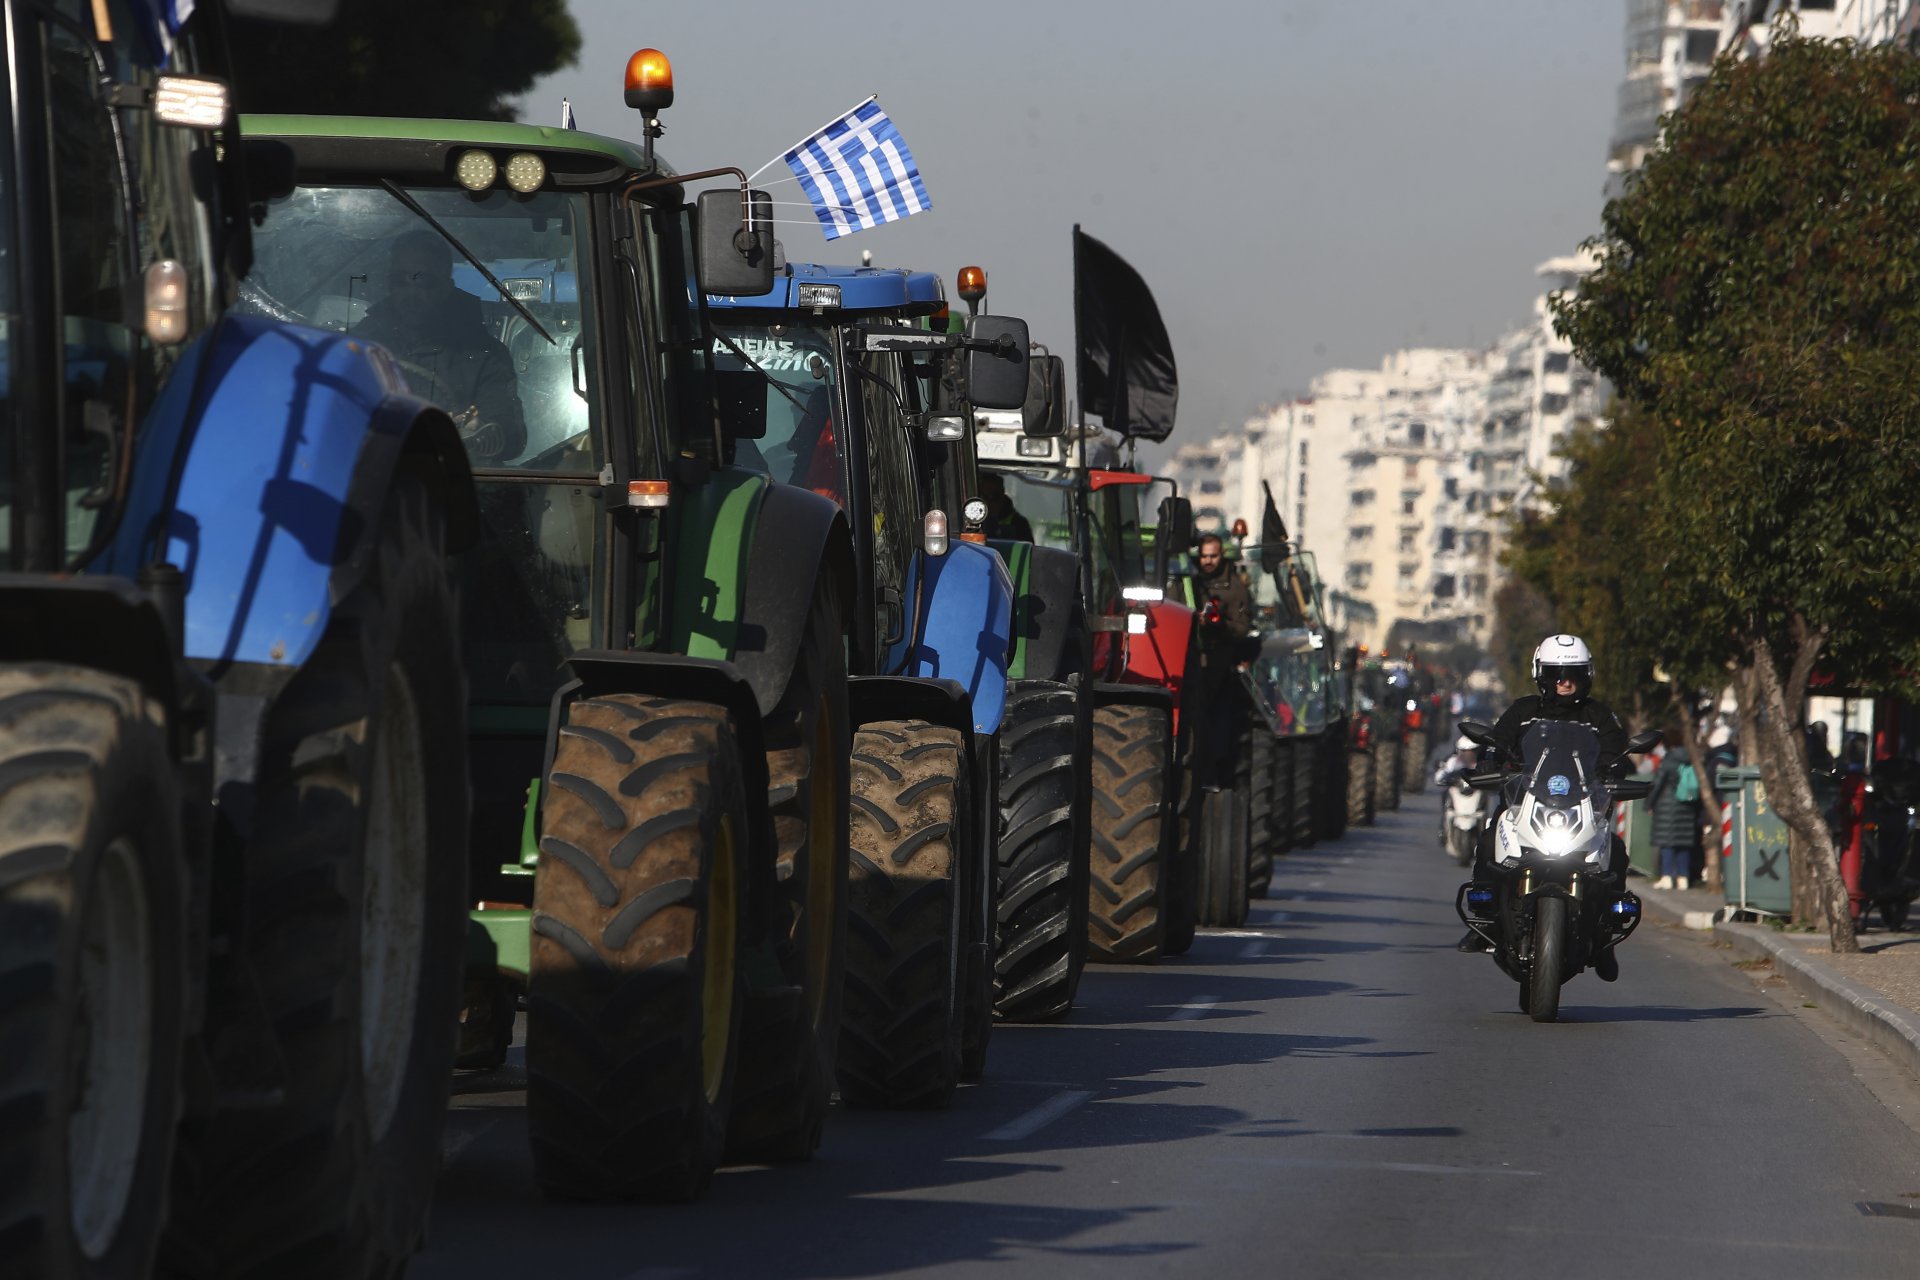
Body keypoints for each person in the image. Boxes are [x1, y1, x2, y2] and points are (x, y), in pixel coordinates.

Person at [1458, 634, 1631, 979]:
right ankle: (1487, 920)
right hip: (1526, 804)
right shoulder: (1523, 712)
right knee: (1490, 838)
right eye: (1555, 673)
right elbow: (1498, 744)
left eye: (1573, 674)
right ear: (1541, 675)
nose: (1564, 682)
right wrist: (1489, 764)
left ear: (1586, 675)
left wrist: (1616, 770)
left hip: (1582, 809)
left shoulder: (1599, 716)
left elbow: (1617, 753)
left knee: (1617, 851)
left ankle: (1606, 938)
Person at [356, 229, 526, 465]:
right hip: (369, 481)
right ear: (389, 285)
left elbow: (511, 436)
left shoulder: (483, 355)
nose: (411, 293)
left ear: (446, 288)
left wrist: (479, 430)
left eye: (423, 282)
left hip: (453, 483)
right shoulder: (357, 349)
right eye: (400, 281)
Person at [1185, 534, 1253, 790]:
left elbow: (1241, 628)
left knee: (1216, 721)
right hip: (1190, 661)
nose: (1208, 561)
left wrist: (1218, 625)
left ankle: (1212, 773)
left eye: (1213, 556)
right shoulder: (1188, 582)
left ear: (1221, 556)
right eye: (1204, 556)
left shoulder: (1235, 588)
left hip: (1218, 665)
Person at [1648, 736, 1702, 890]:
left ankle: (1667, 877)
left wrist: (1649, 803)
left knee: (1667, 844)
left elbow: (1658, 783)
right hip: (1688, 805)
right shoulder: (1692, 758)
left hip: (1667, 805)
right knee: (1683, 844)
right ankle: (1683, 878)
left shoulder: (1669, 760)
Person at [978, 472, 1033, 541]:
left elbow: (1028, 549)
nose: (990, 502)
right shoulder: (969, 521)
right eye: (985, 496)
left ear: (1003, 496)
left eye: (995, 497)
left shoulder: (1019, 524)